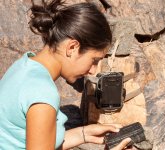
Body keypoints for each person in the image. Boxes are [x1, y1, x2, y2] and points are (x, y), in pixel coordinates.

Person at [0, 0, 134, 150]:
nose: (93, 70)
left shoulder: (23, 66)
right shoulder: (42, 93)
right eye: (94, 60)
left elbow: (35, 141)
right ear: (72, 47)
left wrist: (83, 134)